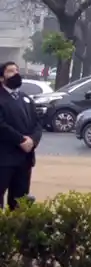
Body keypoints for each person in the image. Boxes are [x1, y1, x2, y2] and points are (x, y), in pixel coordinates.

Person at [0, 60, 42, 209]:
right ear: (1, 77)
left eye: (17, 70)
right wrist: (20, 140)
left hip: (24, 159)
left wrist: (33, 140)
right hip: (4, 159)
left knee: (20, 202)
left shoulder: (26, 98)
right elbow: (2, 125)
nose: (15, 74)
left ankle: (16, 230)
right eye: (11, 71)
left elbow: (37, 123)